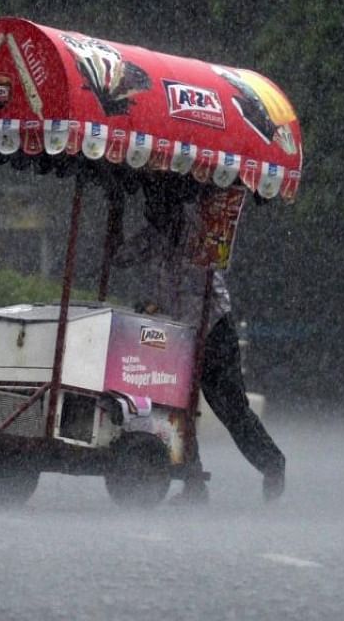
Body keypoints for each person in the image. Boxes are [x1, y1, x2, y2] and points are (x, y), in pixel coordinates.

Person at [112, 176, 286, 504]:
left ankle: (272, 463)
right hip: (179, 337)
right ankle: (193, 483)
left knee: (230, 408)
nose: (154, 213)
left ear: (174, 205)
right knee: (175, 408)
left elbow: (199, 283)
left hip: (214, 329)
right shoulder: (153, 237)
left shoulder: (203, 232)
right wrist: (117, 211)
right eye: (151, 207)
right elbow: (120, 257)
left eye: (159, 205)